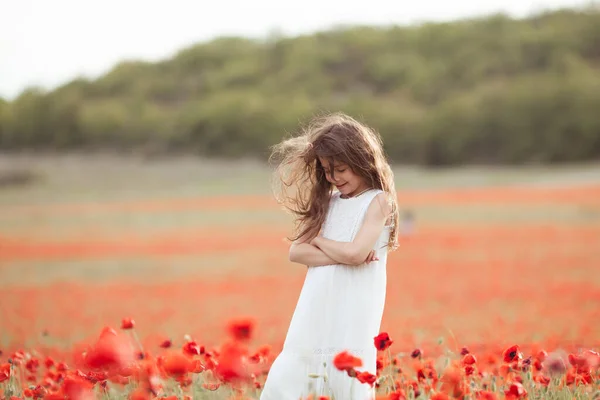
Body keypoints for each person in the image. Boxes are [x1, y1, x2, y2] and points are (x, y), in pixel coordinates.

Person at [260, 113, 399, 399]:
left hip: (354, 303)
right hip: (317, 301)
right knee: (297, 365)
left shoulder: (378, 201)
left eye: (341, 169)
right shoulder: (329, 202)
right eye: (326, 170)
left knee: (345, 371)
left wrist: (320, 241)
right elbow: (296, 252)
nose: (333, 178)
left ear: (363, 161)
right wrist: (345, 254)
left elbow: (357, 252)